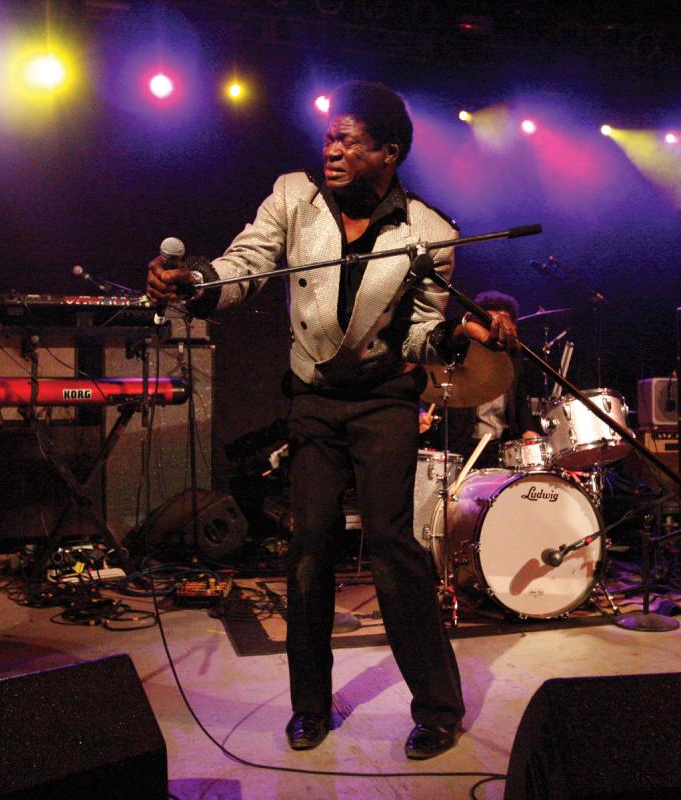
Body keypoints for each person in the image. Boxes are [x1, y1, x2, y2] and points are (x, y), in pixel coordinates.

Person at [148, 81, 516, 759]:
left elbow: (419, 338)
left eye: (349, 139)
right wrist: (198, 282)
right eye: (329, 137)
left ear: (389, 152)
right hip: (314, 398)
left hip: (384, 401)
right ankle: (310, 705)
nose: (333, 150)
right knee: (309, 548)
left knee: (391, 548)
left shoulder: (430, 233)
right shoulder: (294, 196)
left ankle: (437, 707)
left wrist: (461, 341)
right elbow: (247, 263)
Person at [421, 290, 542, 468]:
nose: (497, 330)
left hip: (502, 446)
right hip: (463, 445)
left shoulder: (514, 358)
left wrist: (529, 430)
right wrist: (421, 413)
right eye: (490, 324)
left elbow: (520, 402)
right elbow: (428, 386)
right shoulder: (461, 354)